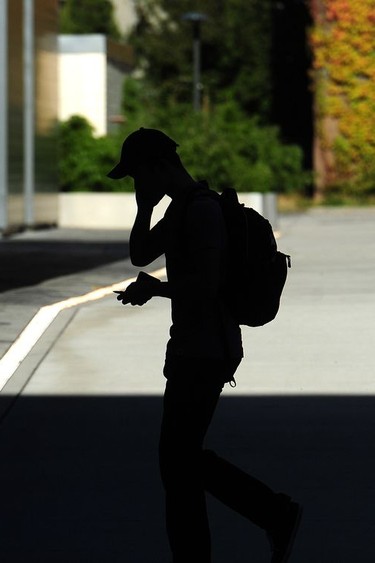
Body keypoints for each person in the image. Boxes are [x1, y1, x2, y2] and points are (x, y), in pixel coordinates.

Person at [108, 128, 302, 563]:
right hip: (194, 348)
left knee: (177, 460)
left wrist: (155, 292)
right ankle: (268, 516)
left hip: (207, 351)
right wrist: (143, 209)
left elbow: (206, 285)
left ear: (159, 166)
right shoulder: (179, 210)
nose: (137, 185)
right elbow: (141, 254)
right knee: (179, 464)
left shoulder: (201, 212)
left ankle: (274, 512)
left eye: (138, 176)